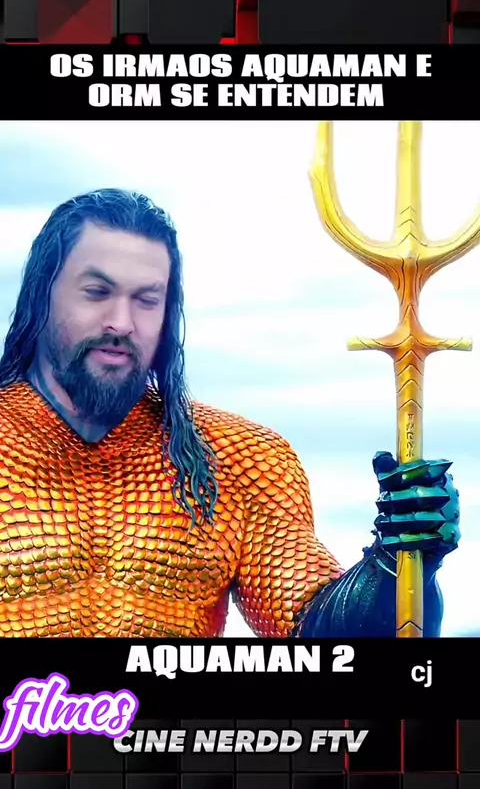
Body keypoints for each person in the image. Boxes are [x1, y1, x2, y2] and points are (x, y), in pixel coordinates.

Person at [0, 189, 460, 638]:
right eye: (97, 292)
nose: (121, 322)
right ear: (42, 296)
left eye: (147, 299)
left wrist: (397, 558)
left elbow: (323, 640)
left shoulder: (238, 459)